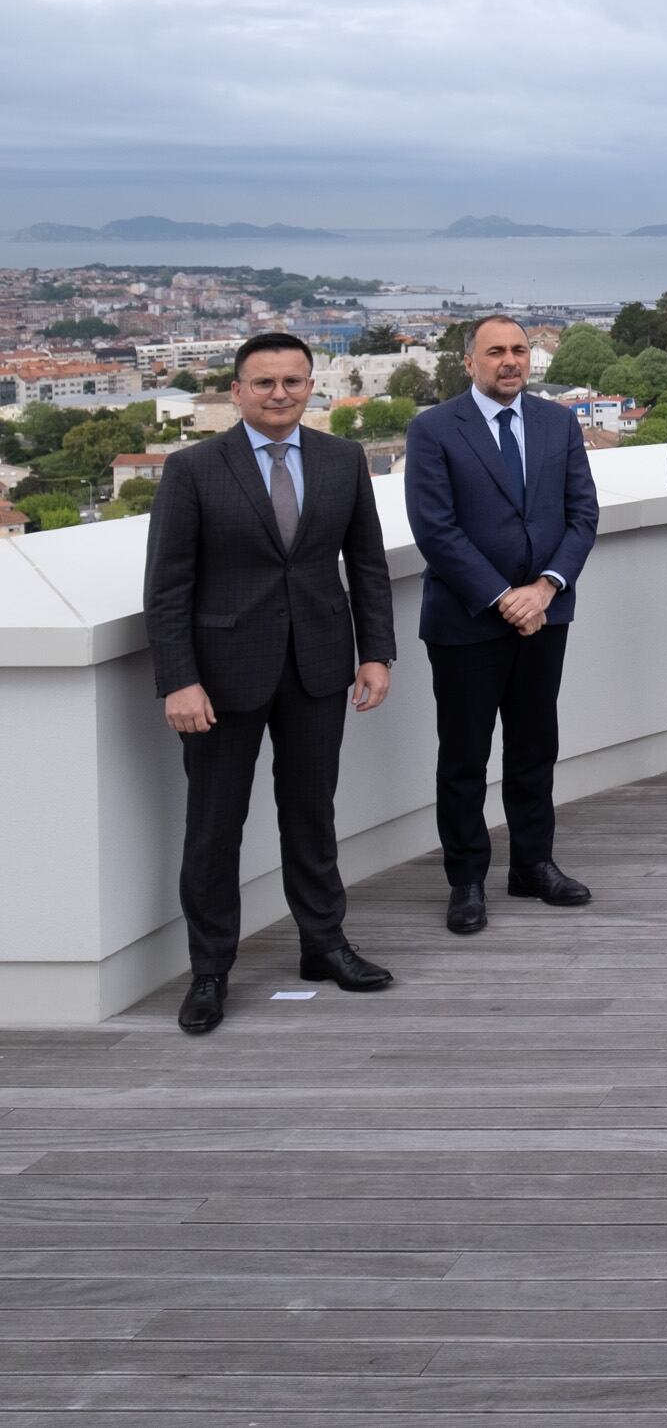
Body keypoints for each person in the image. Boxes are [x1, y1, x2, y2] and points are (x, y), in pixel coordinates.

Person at [142, 332, 397, 1034]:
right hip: (221, 679)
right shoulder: (194, 469)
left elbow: (367, 566)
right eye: (264, 383)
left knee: (312, 815)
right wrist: (179, 680)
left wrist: (376, 653)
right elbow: (167, 588)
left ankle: (324, 945)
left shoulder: (342, 459)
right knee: (215, 829)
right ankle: (210, 972)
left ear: (310, 386)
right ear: (237, 391)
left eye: (292, 381)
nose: (280, 393)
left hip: (318, 665)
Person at [403, 314, 599, 935]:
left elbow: (582, 514)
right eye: (496, 352)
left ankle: (533, 865)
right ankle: (466, 881)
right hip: (466, 621)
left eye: (519, 350)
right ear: (470, 362)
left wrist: (544, 588)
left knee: (535, 745)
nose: (511, 361)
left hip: (545, 614)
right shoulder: (433, 429)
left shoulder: (558, 421)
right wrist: (500, 596)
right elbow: (436, 529)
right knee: (464, 755)